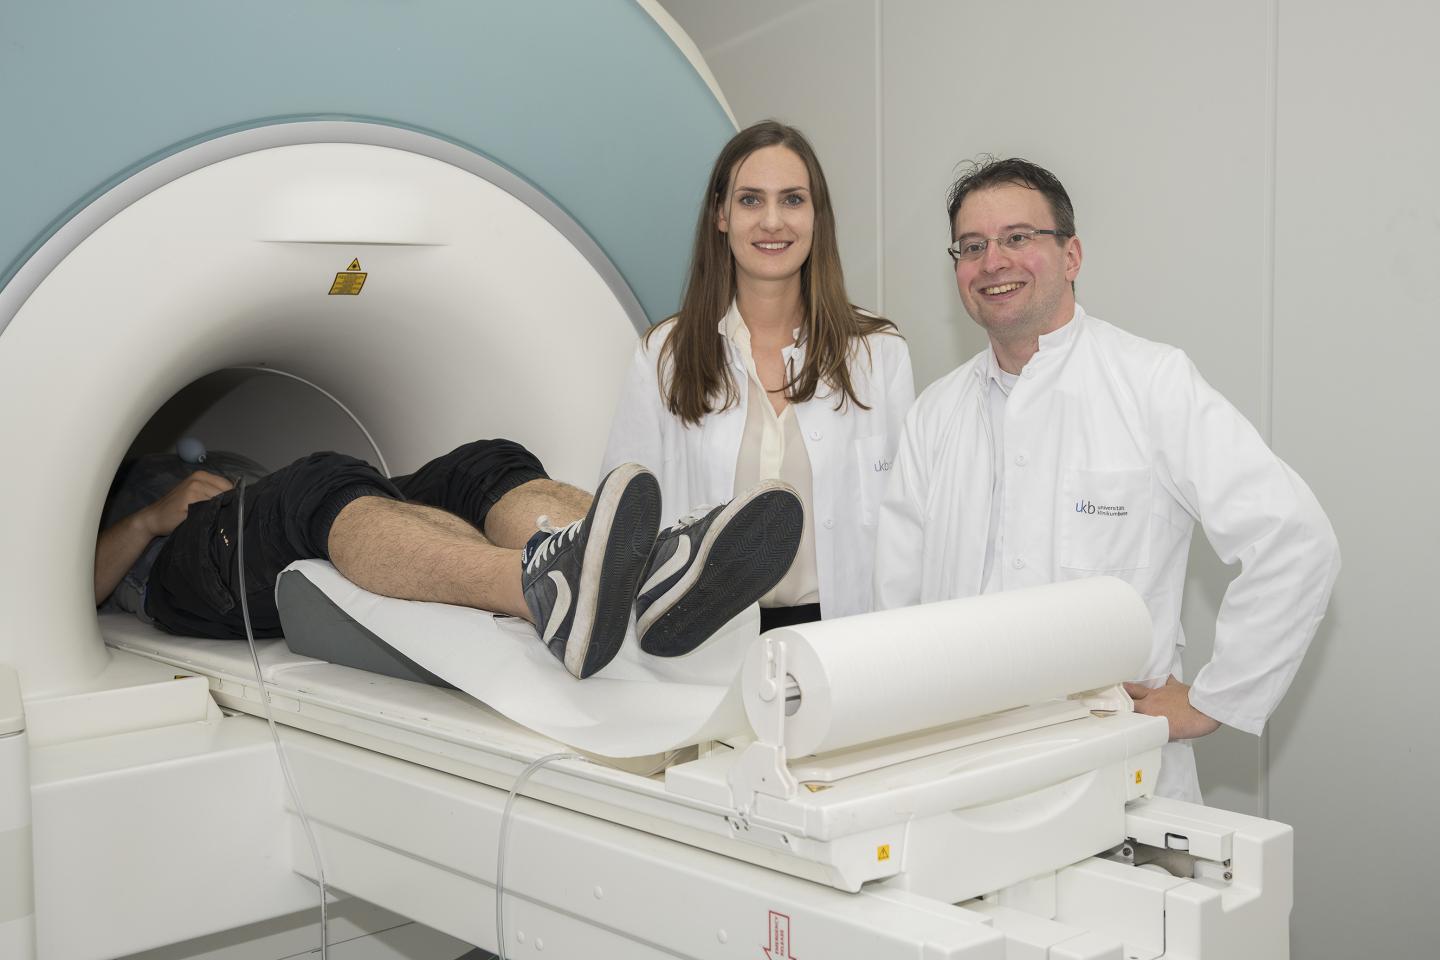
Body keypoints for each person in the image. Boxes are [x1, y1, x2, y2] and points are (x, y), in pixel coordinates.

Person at [874, 157, 1340, 802]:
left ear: (1071, 256)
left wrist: (1213, 699)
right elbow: (894, 610)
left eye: (1018, 238)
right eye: (972, 246)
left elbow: (1295, 538)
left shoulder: (1151, 383)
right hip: (960, 776)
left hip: (1114, 779)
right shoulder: (935, 415)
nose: (993, 261)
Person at [96, 439, 803, 680]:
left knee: (483, 464)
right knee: (320, 480)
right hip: (180, 574)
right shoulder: (102, 486)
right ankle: (538, 590)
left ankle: (654, 575)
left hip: (261, 514)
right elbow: (56, 586)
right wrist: (152, 515)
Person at [604, 121, 914, 633]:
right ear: (721, 215)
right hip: (701, 642)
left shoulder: (879, 356)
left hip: (842, 637)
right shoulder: (664, 357)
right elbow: (625, 525)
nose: (773, 221)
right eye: (751, 201)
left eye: (792, 200)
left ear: (817, 217)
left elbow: (908, 531)